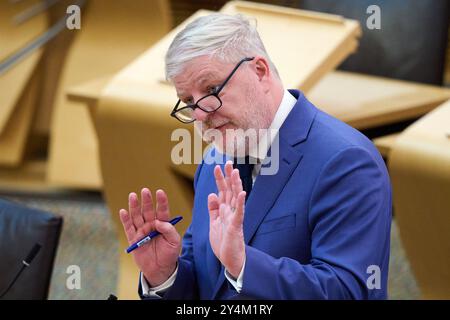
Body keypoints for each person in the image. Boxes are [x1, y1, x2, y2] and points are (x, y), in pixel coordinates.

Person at [118, 13, 392, 299]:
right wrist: (166, 274)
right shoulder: (215, 161)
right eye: (188, 101)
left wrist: (244, 265)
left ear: (260, 71)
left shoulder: (346, 161)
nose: (200, 114)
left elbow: (347, 291)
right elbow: (209, 288)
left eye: (212, 89)